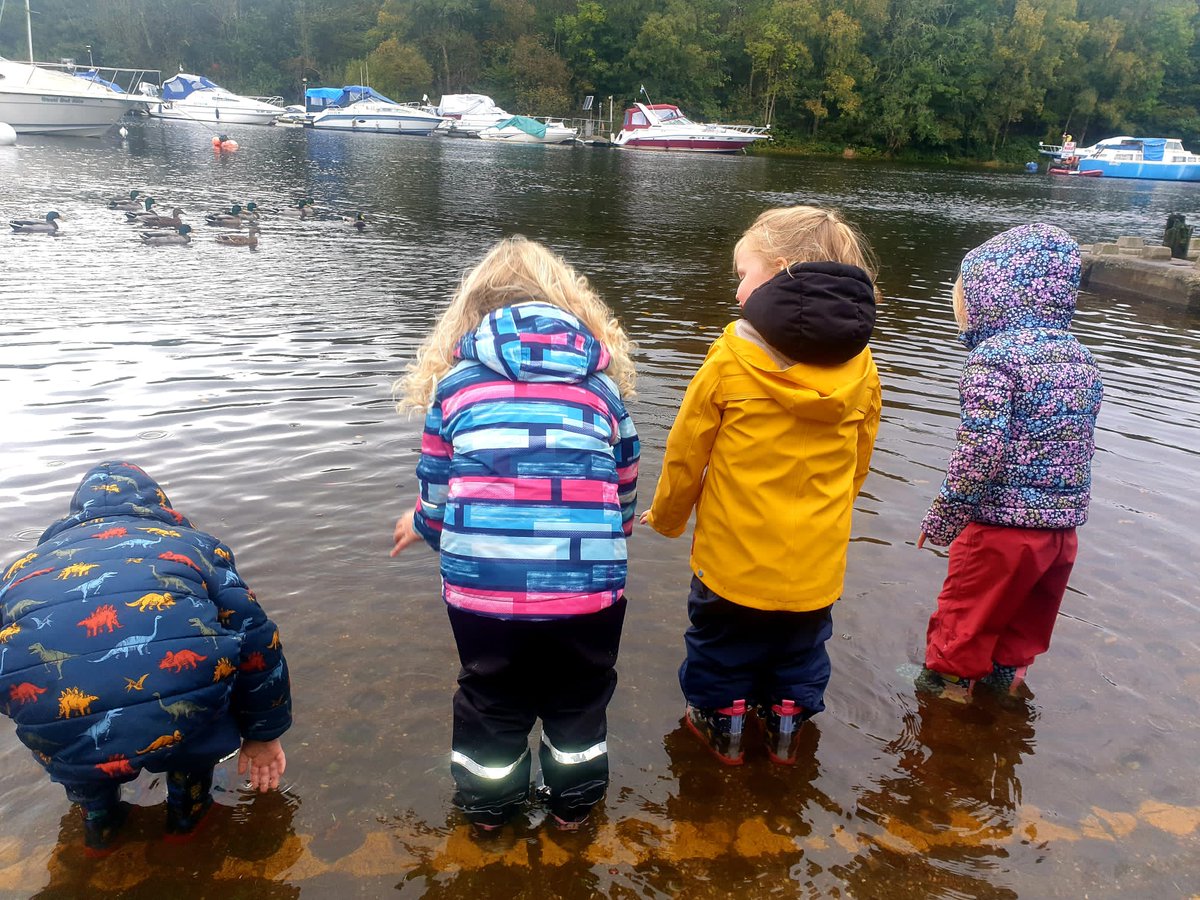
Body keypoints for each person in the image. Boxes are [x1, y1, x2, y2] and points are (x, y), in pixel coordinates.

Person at [390, 236, 639, 831]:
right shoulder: (601, 388)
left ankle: (488, 812)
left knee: (491, 697)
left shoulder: (455, 388)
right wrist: (612, 532)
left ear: (473, 313)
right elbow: (624, 483)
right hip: (588, 587)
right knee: (579, 700)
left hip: (485, 590)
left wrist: (420, 524)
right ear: (574, 310)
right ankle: (573, 812)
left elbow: (438, 494)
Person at [641, 206, 881, 766]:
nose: (737, 289)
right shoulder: (862, 364)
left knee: (720, 647)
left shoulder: (732, 355)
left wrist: (670, 517)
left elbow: (686, 452)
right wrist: (835, 514)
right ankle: (785, 729)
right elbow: (858, 459)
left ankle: (721, 727)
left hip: (733, 559)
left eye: (742, 274)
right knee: (801, 650)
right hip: (814, 564)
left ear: (778, 270)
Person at [0, 462, 292, 856]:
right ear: (157, 504)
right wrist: (262, 735)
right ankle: (187, 824)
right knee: (193, 714)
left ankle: (99, 833)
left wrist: (35, 717)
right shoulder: (196, 547)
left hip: (56, 724)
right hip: (183, 715)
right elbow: (258, 641)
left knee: (74, 737)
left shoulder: (18, 571)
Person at [916, 223, 1103, 698]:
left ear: (991, 297)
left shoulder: (993, 358)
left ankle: (944, 708)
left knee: (962, 628)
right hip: (1060, 535)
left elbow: (980, 450)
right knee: (1020, 632)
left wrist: (944, 518)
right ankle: (1002, 703)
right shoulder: (1081, 357)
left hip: (1001, 531)